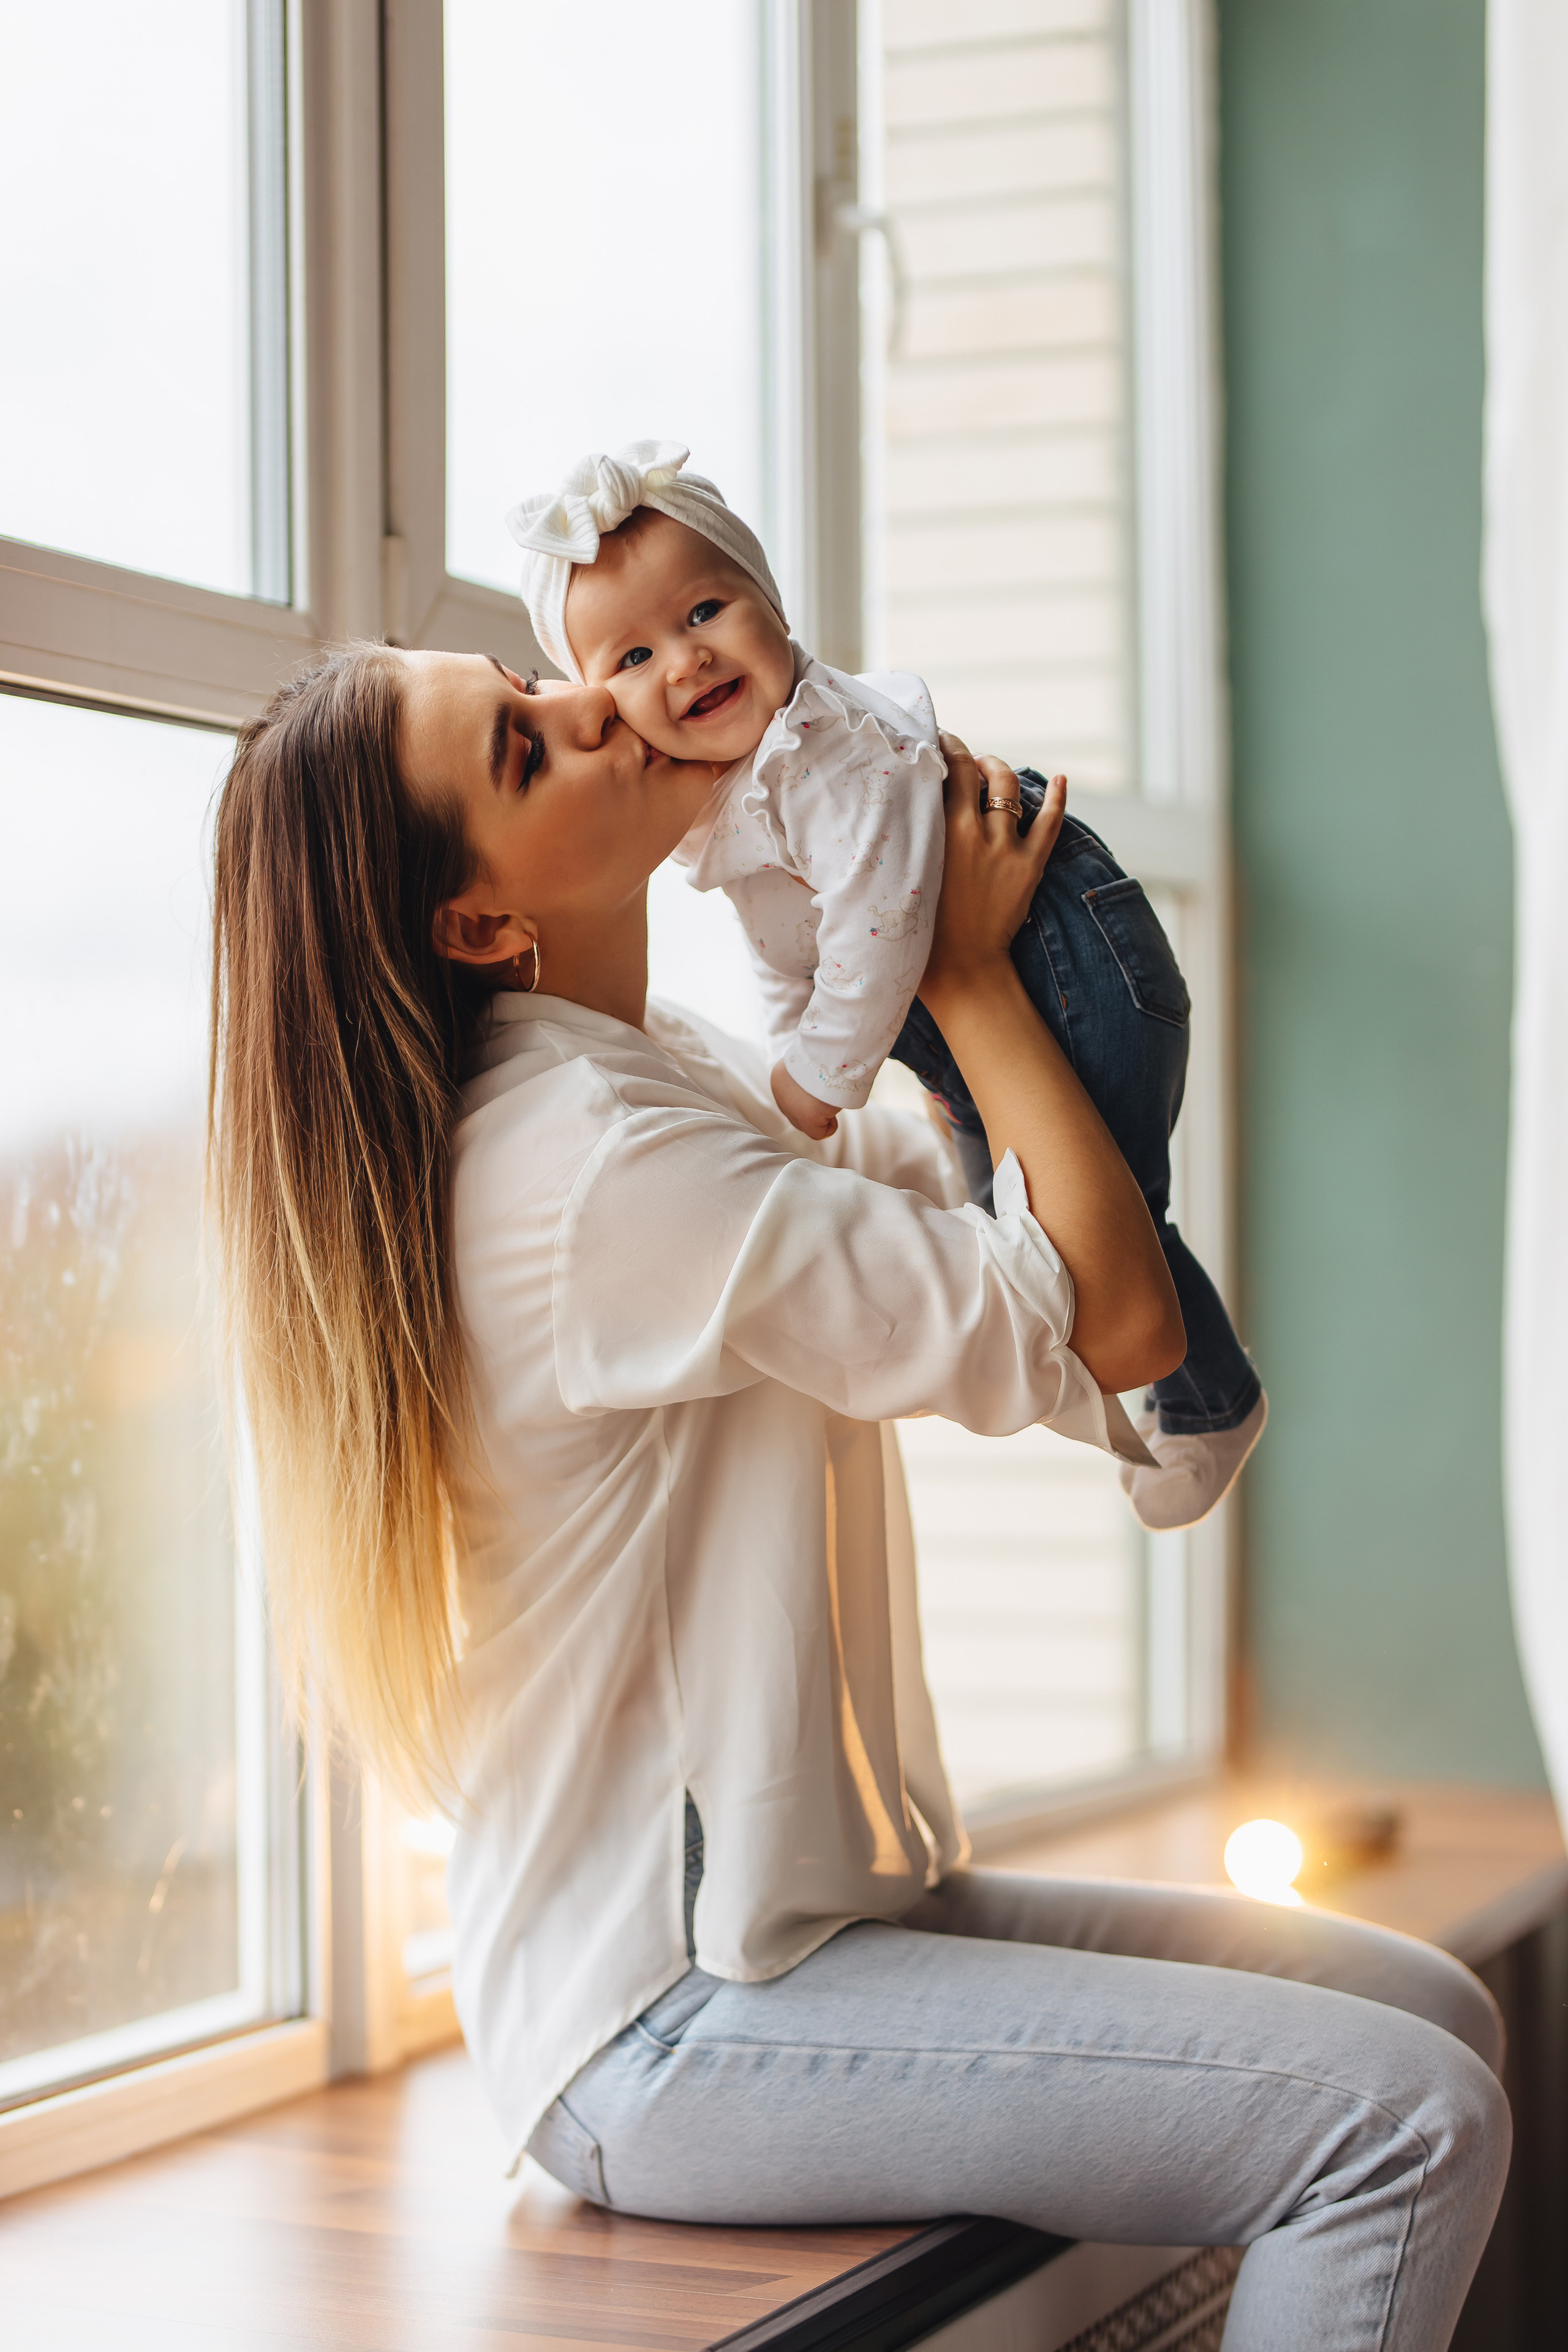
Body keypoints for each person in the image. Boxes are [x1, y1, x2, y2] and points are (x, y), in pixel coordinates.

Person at [208, 644, 1508, 2352]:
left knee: (1432, 2010)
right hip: (667, 2018)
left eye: (534, 674)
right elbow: (1106, 1317)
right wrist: (961, 971)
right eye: (527, 750)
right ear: (475, 922)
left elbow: (964, 1199)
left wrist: (901, 889)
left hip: (825, 1916)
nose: (597, 698)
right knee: (1406, 2121)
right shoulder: (587, 1164)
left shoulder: (655, 1071)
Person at [505, 440, 1265, 1532]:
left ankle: (1211, 1400)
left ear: (770, 602)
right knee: (1015, 1225)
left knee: (1102, 1231)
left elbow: (874, 934)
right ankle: (1166, 1391)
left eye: (707, 610)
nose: (684, 661)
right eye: (628, 658)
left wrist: (816, 1081)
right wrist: (800, 1080)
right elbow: (789, 954)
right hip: (979, 990)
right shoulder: (734, 802)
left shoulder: (827, 755)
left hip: (1071, 963)